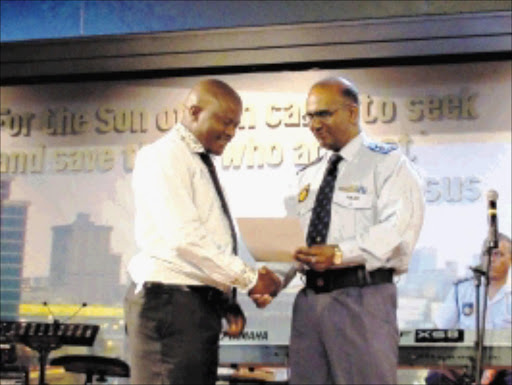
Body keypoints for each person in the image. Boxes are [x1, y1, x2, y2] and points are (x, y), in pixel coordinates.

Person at [123, 79, 281, 384]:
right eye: (225, 122)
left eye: (236, 125)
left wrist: (224, 300)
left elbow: (203, 243)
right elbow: (184, 238)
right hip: (169, 307)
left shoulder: (196, 160)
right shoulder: (164, 156)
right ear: (194, 112)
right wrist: (250, 279)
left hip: (190, 307)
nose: (231, 133)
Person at [287, 76, 425, 384]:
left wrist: (338, 254)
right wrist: (273, 277)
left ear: (352, 113)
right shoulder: (307, 175)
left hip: (363, 298)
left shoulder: (388, 164)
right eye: (309, 116)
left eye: (323, 114)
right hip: (309, 305)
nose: (314, 124)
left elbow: (398, 231)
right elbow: (297, 241)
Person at [426, 233, 512, 385]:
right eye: (487, 253)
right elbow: (439, 329)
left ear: (510, 259)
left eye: (498, 254)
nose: (491, 258)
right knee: (436, 374)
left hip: (505, 366)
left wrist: (488, 375)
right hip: (465, 363)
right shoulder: (462, 290)